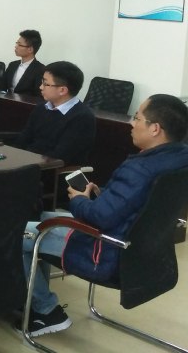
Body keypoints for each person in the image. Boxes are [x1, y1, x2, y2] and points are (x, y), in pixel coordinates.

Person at [20, 94, 188, 336]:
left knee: (18, 233)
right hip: (144, 253)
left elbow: (99, 218)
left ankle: (45, 311)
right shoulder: (179, 158)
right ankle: (35, 299)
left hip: (104, 251)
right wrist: (102, 194)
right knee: (43, 218)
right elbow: (134, 201)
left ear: (155, 129)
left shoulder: (139, 168)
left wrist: (78, 199)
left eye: (137, 118)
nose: (131, 123)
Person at [15, 61, 95, 165]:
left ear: (62, 90)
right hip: (28, 163)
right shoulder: (41, 108)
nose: (40, 87)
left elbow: (61, 155)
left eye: (45, 84)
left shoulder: (82, 117)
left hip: (52, 169)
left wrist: (26, 161)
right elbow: (24, 138)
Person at [0, 30, 45, 96]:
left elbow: (38, 95)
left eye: (19, 44)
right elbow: (2, 86)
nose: (16, 46)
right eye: (16, 43)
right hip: (6, 99)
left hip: (26, 102)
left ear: (30, 49)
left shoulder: (40, 69)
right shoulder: (12, 65)